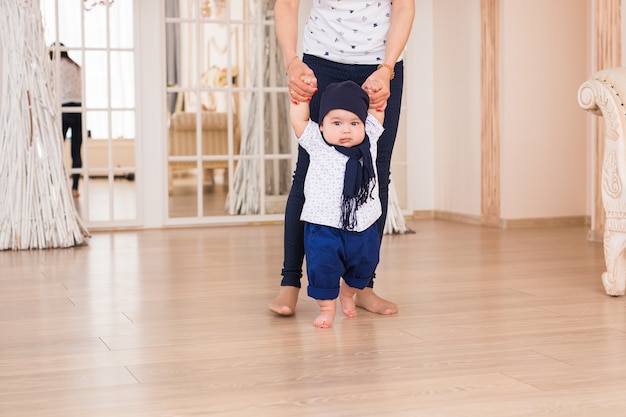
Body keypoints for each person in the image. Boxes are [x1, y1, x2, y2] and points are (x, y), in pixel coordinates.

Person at [269, 0, 415, 316]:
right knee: (307, 168)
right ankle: (290, 282)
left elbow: (404, 7)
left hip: (381, 65)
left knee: (376, 170)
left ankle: (362, 286)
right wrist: (291, 61)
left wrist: (387, 68)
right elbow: (287, 5)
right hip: (321, 60)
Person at [291, 79, 385, 328]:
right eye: (337, 123)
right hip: (323, 225)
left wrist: (376, 95)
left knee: (366, 264)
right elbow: (299, 121)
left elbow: (377, 112)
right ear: (321, 126)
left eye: (354, 123)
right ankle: (327, 308)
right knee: (323, 266)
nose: (346, 130)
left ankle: (348, 293)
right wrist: (301, 99)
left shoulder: (369, 142)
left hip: (363, 225)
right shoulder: (317, 143)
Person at [50, 43, 83, 198]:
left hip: (63, 109)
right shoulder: (75, 66)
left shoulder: (52, 66)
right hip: (78, 109)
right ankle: (75, 188)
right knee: (76, 151)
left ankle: (57, 186)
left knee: (57, 149)